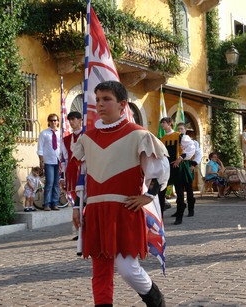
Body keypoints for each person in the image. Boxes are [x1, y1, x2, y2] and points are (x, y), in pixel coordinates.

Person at [71, 81, 169, 307]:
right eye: (98, 100)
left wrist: (149, 195)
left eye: (107, 99)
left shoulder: (138, 135)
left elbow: (159, 168)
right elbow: (82, 177)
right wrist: (77, 206)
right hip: (95, 210)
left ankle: (157, 301)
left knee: (127, 269)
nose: (100, 104)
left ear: (122, 104)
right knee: (100, 271)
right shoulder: (87, 138)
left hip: (125, 210)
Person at [158, 117, 195, 225]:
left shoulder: (180, 136)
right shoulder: (162, 138)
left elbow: (191, 147)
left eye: (163, 122)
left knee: (179, 192)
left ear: (170, 123)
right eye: (161, 123)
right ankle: (160, 217)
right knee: (161, 192)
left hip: (178, 167)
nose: (162, 125)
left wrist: (181, 157)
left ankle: (179, 216)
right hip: (166, 168)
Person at [60, 111, 83, 242]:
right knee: (75, 203)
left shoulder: (87, 135)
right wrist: (62, 177)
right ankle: (79, 231)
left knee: (85, 202)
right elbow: (64, 159)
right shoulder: (66, 139)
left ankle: (87, 230)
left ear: (80, 120)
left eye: (74, 119)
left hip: (84, 171)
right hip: (71, 172)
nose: (72, 122)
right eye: (70, 120)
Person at [176, 122, 202, 217]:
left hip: (187, 165)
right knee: (179, 189)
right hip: (178, 166)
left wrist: (193, 164)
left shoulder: (192, 142)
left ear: (185, 130)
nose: (180, 131)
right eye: (178, 129)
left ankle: (191, 209)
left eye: (181, 129)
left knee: (188, 188)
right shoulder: (175, 140)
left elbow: (199, 154)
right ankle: (180, 208)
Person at [37, 113, 61, 211]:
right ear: (48, 122)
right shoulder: (44, 133)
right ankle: (46, 204)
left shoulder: (61, 133)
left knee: (56, 183)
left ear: (58, 122)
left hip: (58, 161)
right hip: (48, 161)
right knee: (50, 182)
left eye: (55, 120)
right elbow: (40, 149)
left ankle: (55, 203)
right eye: (51, 120)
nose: (53, 122)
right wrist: (41, 161)